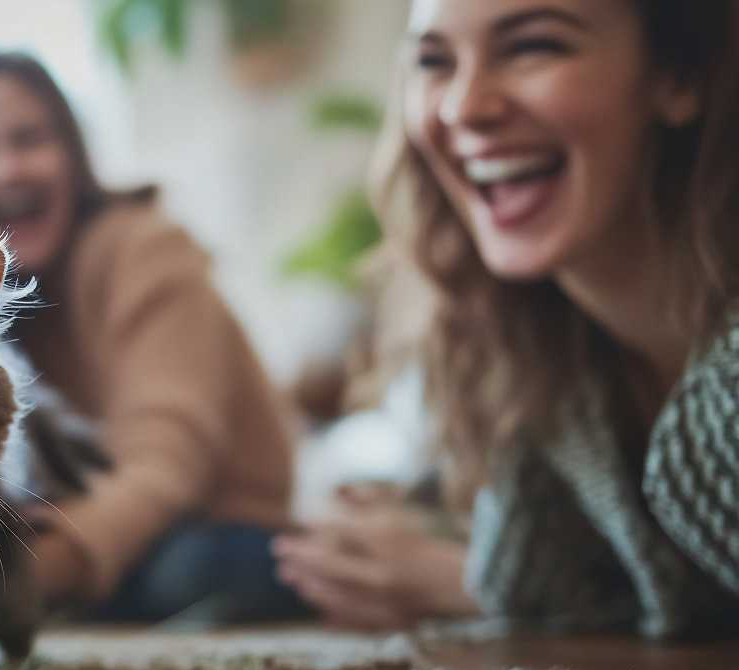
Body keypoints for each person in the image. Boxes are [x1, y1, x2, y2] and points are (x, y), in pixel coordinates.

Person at [275, 0, 739, 636]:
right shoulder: (542, 354)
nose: (464, 107)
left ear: (679, 76)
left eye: (533, 47)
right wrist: (470, 576)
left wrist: (465, 580)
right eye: (434, 62)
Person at [0, 48, 300, 622]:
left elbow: (168, 467)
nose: (5, 169)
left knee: (188, 571)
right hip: (56, 529)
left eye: (29, 139)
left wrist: (23, 575)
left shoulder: (142, 248)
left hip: (203, 519)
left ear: (71, 152)